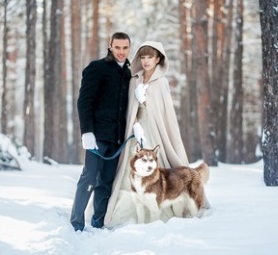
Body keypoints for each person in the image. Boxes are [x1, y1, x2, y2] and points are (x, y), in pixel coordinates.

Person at [104, 41, 208, 227]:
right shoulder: (134, 79)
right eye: (142, 57)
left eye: (149, 57)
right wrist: (135, 123)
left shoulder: (161, 82)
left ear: (158, 59)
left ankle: (167, 204)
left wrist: (146, 100)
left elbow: (164, 114)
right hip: (137, 132)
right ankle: (127, 215)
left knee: (161, 166)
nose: (145, 61)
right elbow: (128, 107)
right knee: (130, 171)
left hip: (155, 132)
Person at [70, 32, 132, 232]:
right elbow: (84, 101)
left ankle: (98, 223)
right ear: (110, 47)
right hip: (96, 137)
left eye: (125, 48)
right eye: (117, 47)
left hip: (117, 138)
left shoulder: (129, 74)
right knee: (89, 177)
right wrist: (86, 132)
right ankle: (76, 223)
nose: (121, 52)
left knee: (106, 181)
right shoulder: (97, 68)